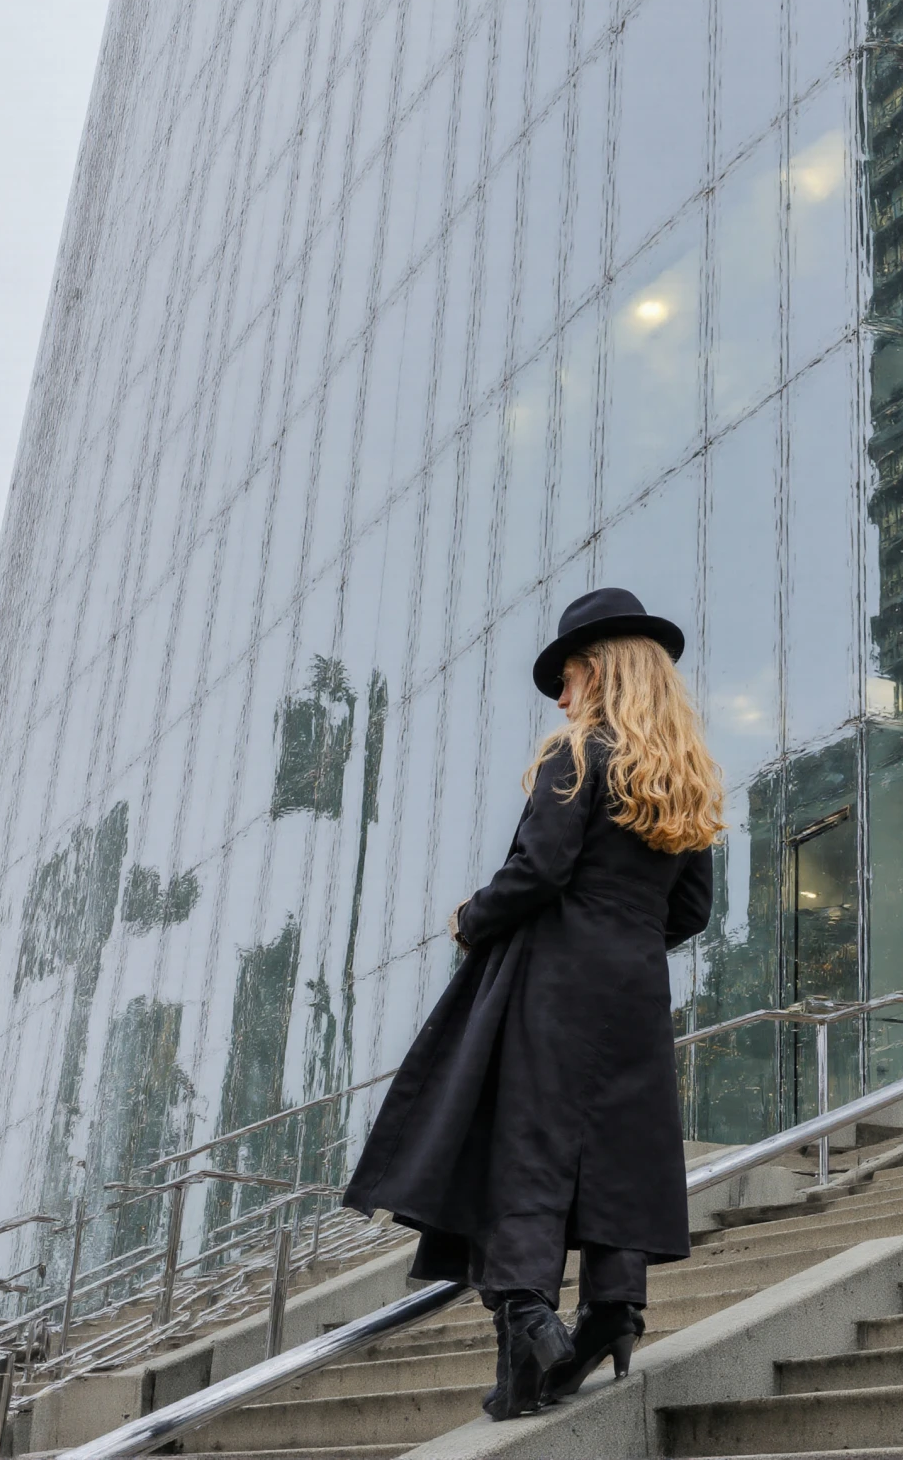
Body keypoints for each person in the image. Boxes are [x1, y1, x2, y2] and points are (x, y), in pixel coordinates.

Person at [342, 587, 722, 1419]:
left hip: (554, 979)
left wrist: (470, 918)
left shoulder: (578, 755)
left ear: (604, 673)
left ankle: (524, 1308)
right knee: (617, 1148)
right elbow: (690, 913)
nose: (559, 694)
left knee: (529, 1142)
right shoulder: (682, 781)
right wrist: (621, 936)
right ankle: (613, 1309)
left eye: (569, 674)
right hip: (634, 989)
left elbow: (540, 870)